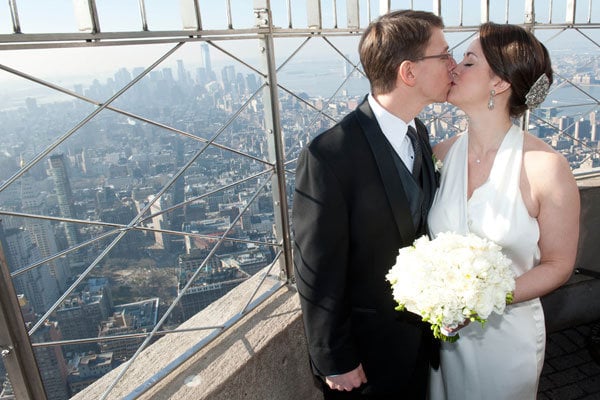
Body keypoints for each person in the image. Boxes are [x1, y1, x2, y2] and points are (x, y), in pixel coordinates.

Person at [292, 10, 455, 399]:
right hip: (365, 359)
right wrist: (335, 358)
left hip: (418, 347)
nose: (453, 64)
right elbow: (316, 266)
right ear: (409, 73)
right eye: (444, 54)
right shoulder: (330, 154)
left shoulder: (418, 130)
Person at [428, 22, 580, 399]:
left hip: (506, 343)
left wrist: (484, 299)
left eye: (467, 61)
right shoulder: (440, 155)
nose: (453, 68)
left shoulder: (546, 168)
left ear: (498, 84)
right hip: (442, 343)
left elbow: (559, 265)